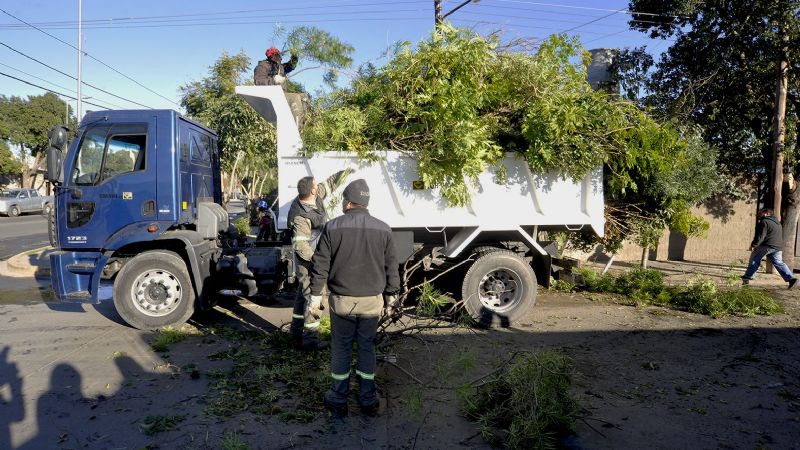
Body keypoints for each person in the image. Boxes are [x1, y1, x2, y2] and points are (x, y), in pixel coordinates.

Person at [309, 179, 400, 418]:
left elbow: (320, 265)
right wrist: (392, 296)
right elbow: (392, 266)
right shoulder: (384, 228)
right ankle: (368, 398)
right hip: (372, 301)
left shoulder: (333, 227)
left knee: (341, 347)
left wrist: (315, 296)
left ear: (348, 202)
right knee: (366, 347)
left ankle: (338, 398)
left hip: (342, 302)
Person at [288, 170, 353, 350]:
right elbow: (301, 247)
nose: (319, 187)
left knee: (303, 295)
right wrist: (319, 261)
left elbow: (329, 184)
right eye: (317, 185)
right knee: (313, 299)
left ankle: (295, 333)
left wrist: (345, 172)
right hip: (307, 262)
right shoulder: (301, 216)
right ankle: (310, 341)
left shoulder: (314, 198)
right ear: (312, 191)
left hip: (314, 258)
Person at [741, 208, 798, 289]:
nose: (759, 214)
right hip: (778, 247)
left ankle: (747, 277)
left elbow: (760, 236)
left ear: (767, 213)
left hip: (767, 245)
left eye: (761, 213)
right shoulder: (777, 223)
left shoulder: (764, 221)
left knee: (754, 259)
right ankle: (791, 279)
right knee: (778, 263)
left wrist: (754, 245)